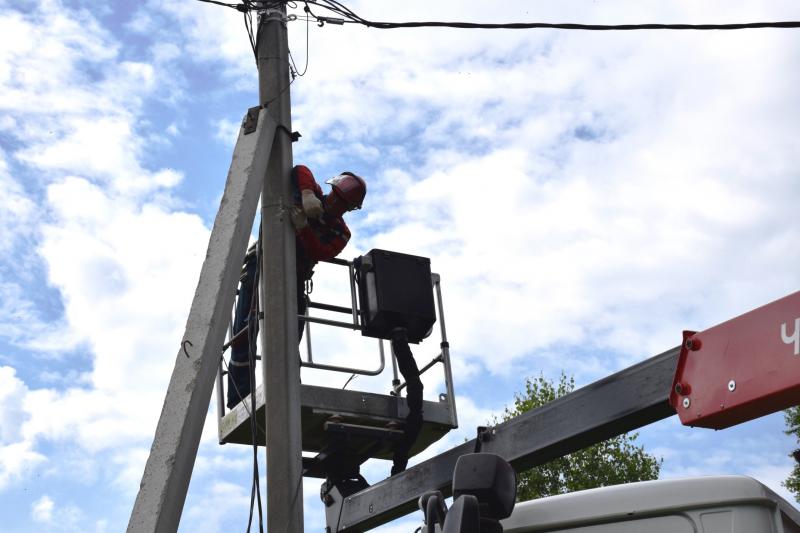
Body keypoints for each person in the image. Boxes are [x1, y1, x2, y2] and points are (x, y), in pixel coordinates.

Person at [226, 165, 366, 408]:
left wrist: (303, 228)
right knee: (244, 333)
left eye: (343, 203)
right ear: (330, 191)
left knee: (289, 342)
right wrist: (307, 194)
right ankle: (239, 400)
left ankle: (288, 394)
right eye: (335, 196)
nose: (336, 203)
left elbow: (321, 252)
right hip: (260, 269)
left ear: (349, 209)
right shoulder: (311, 193)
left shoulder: (341, 232)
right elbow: (300, 170)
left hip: (294, 280)